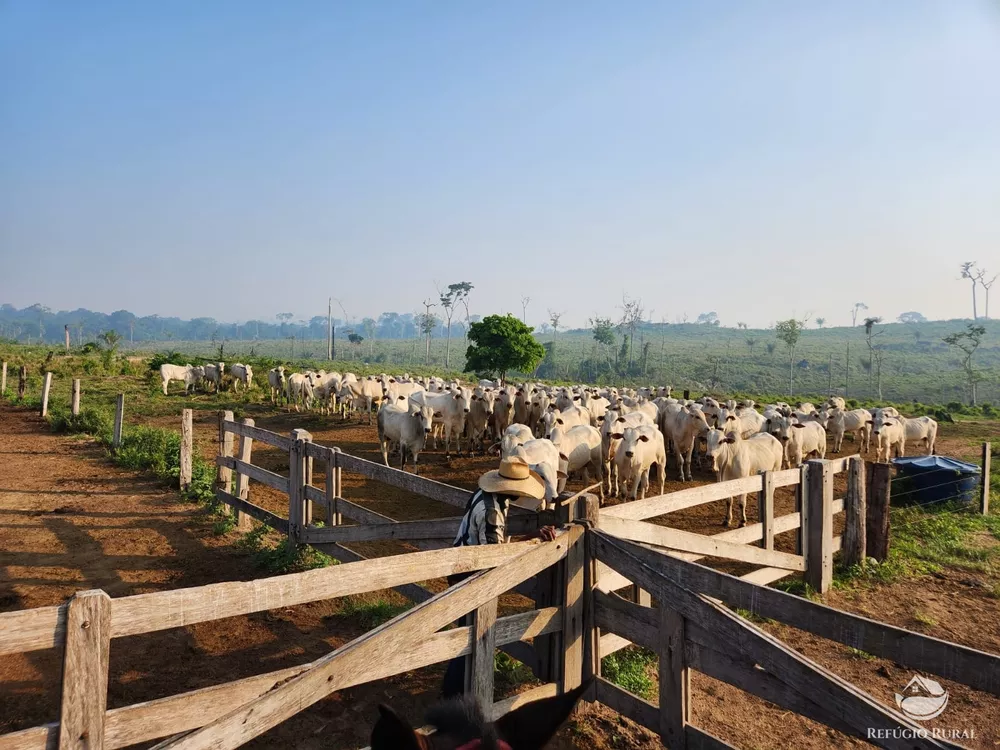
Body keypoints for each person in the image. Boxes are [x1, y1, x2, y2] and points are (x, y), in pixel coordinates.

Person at [442, 457, 557, 697]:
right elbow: (494, 555)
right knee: (471, 636)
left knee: (468, 633)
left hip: (464, 566)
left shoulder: (487, 496)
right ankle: (454, 696)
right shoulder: (492, 510)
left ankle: (457, 692)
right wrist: (531, 541)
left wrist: (530, 536)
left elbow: (494, 544)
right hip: (471, 575)